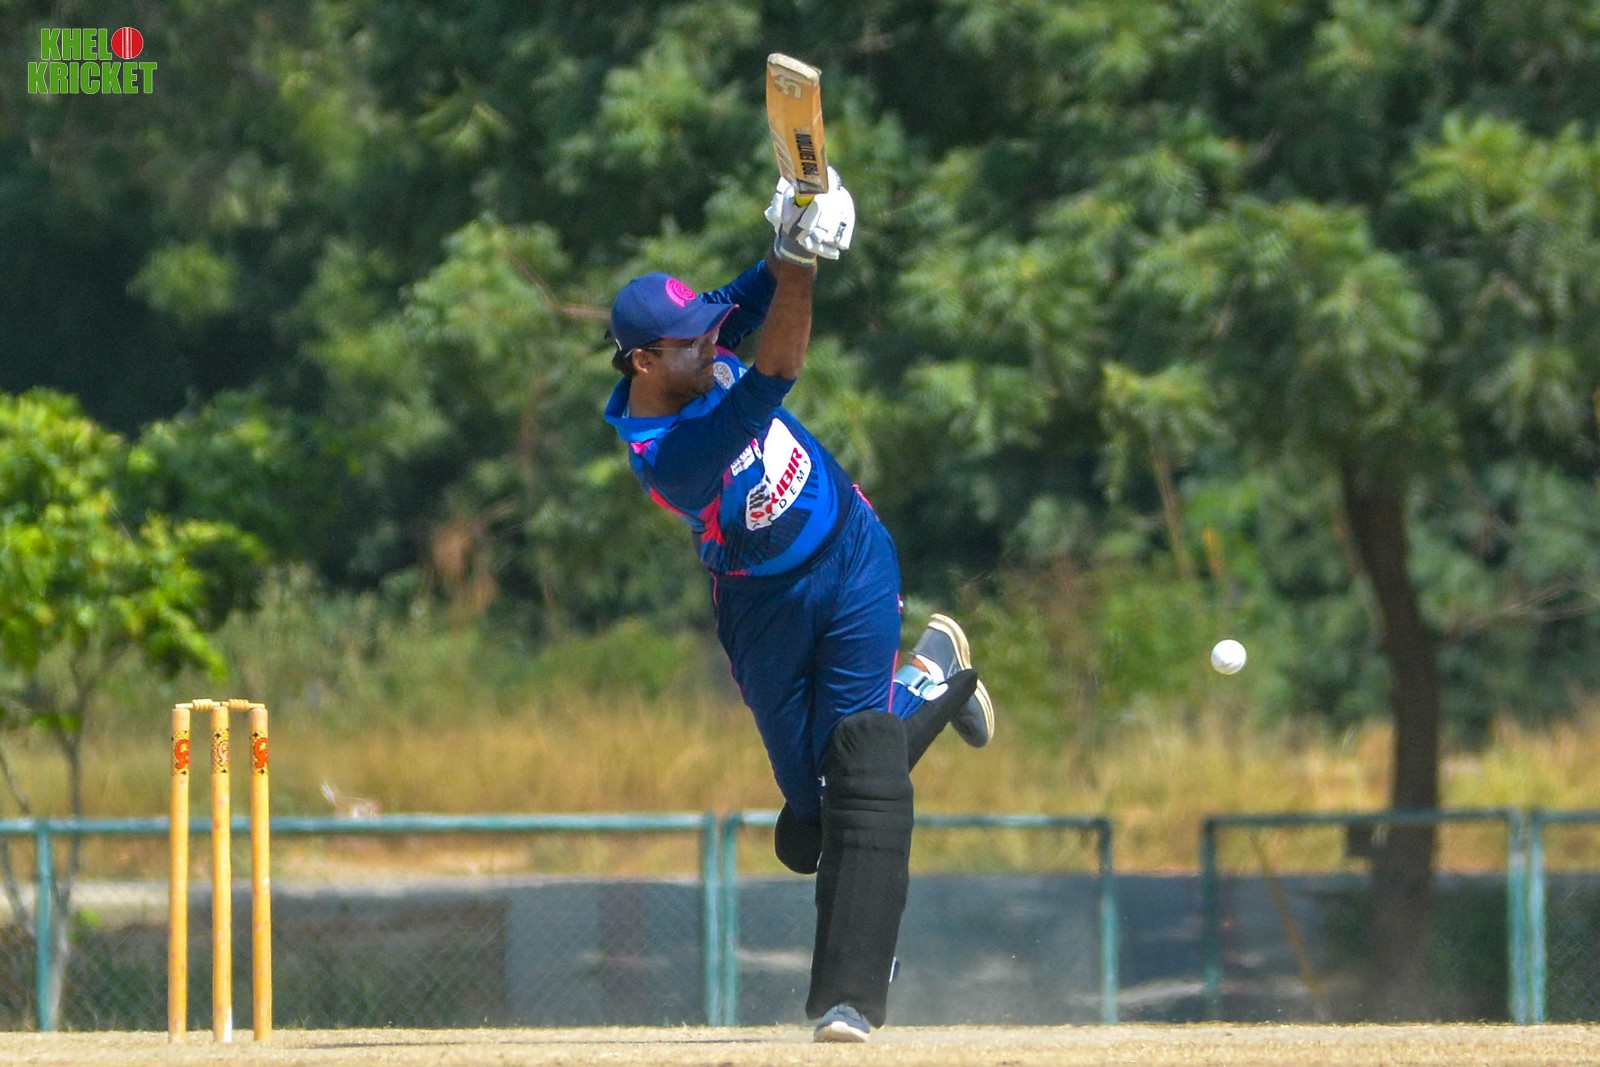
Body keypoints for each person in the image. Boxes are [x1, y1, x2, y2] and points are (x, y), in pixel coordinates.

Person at [602, 168, 995, 1042]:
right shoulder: (669, 454)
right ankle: (930, 681)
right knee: (808, 822)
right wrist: (803, 270)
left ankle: (852, 996)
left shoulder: (688, 343)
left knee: (861, 769)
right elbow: (778, 364)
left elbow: (754, 292)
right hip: (763, 608)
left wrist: (793, 233)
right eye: (688, 344)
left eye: (707, 331)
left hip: (851, 555)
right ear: (642, 362)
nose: (710, 345)